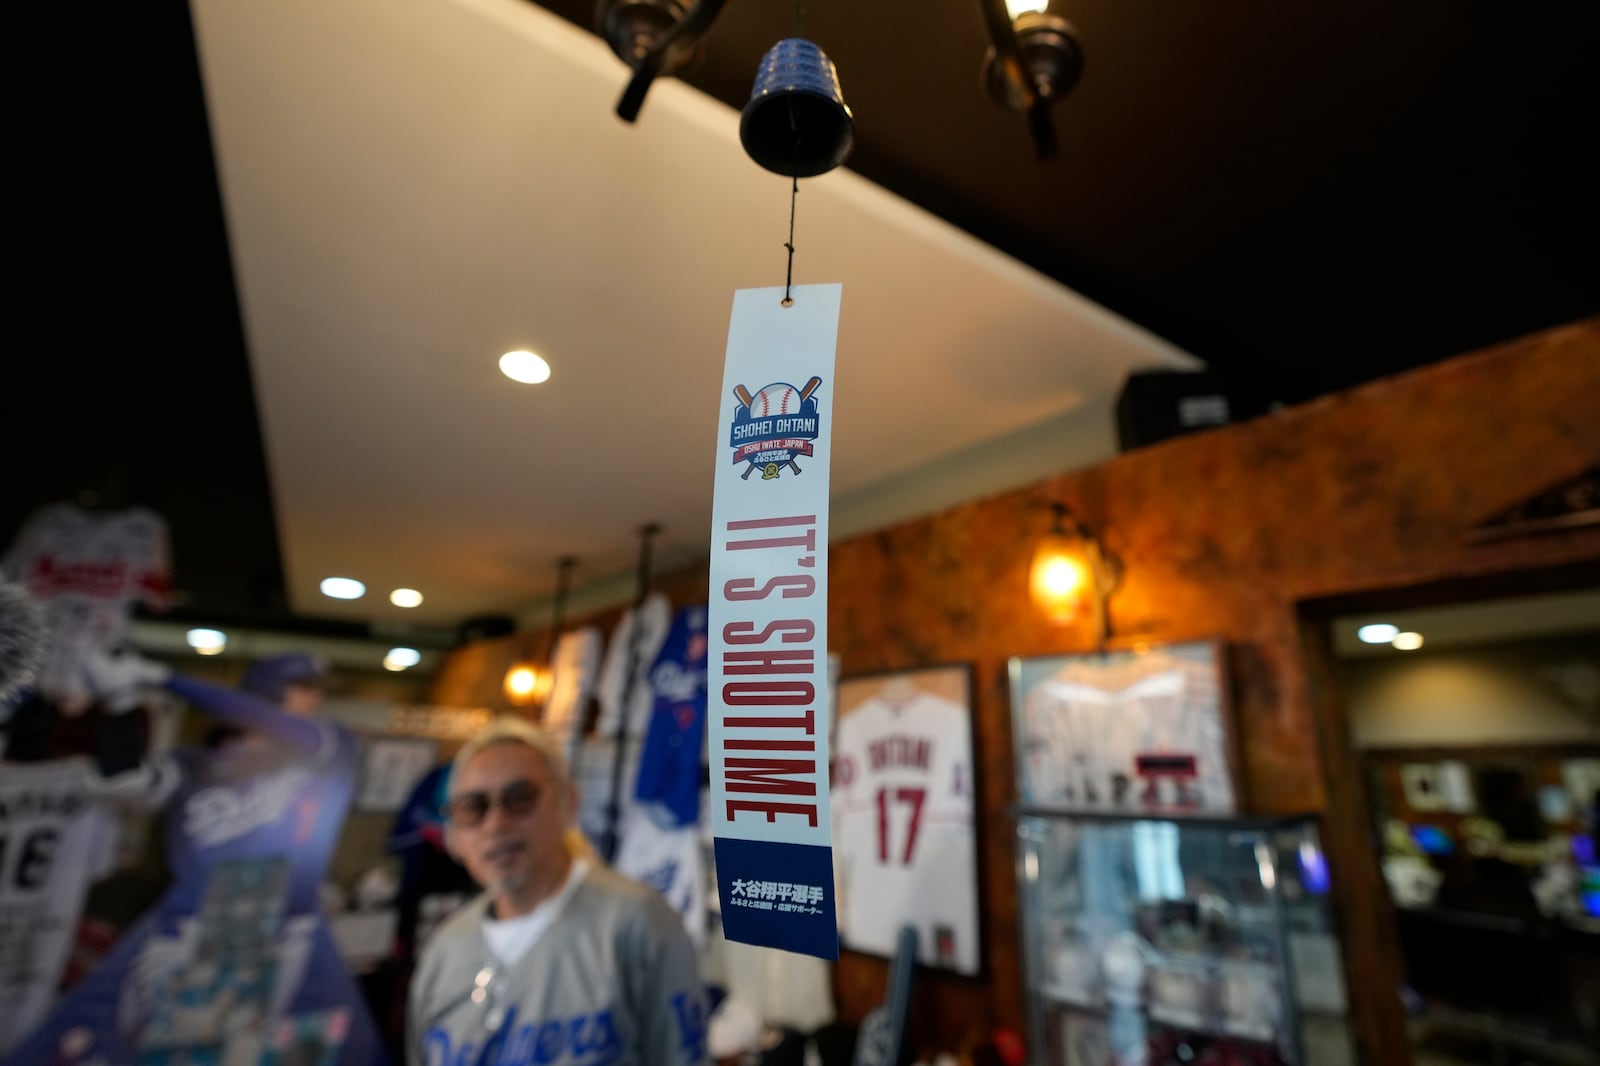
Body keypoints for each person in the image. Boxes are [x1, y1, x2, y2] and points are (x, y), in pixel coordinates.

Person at [3, 650, 389, 1065]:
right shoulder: (194, 765)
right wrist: (119, 702)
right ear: (267, 694)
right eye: (302, 691)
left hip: (281, 941)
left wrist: (165, 677)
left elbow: (274, 723)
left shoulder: (328, 753)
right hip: (184, 941)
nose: (313, 701)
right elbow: (122, 780)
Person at [408, 717, 706, 1066]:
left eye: (520, 799)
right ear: (455, 833)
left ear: (568, 803)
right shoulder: (444, 951)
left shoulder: (638, 922)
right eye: (473, 808)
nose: (496, 825)